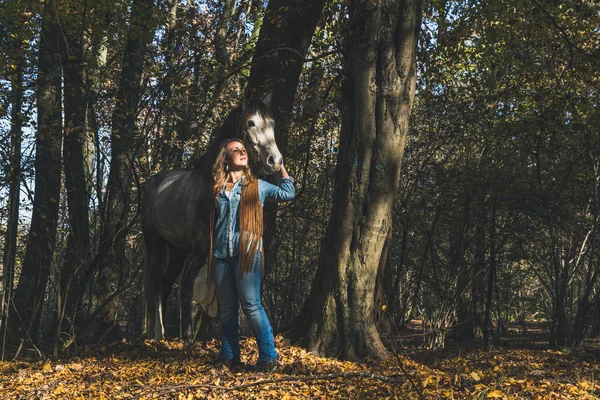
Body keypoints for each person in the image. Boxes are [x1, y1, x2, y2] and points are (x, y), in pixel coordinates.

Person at [209, 138, 295, 372]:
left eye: (244, 150)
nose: (241, 153)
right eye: (235, 150)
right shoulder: (216, 187)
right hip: (220, 254)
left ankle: (268, 356)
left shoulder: (258, 185)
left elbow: (289, 193)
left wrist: (281, 166)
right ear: (225, 158)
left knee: (252, 306)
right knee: (226, 309)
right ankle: (229, 355)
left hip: (248, 253)